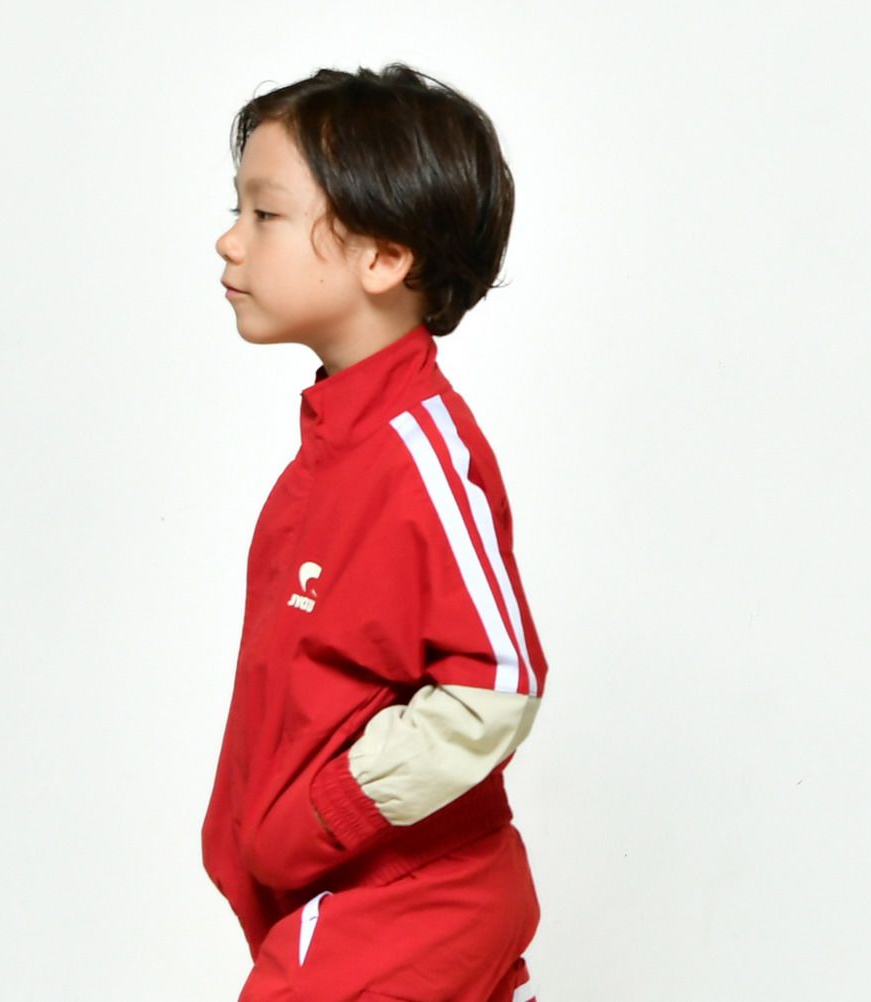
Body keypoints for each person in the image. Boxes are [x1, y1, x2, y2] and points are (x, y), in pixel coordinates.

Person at [202, 63, 550, 1002]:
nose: (229, 241)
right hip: (333, 894)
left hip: (407, 899)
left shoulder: (419, 452)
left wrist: (321, 817)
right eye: (237, 210)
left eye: (265, 214)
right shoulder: (329, 455)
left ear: (384, 258)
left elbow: (500, 679)